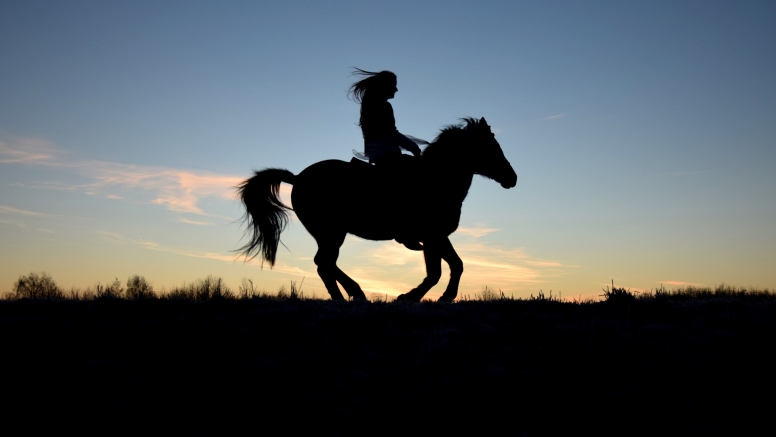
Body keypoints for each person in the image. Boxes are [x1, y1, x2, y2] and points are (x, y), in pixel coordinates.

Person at [348, 68, 424, 250]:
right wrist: (413, 147)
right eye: (394, 86)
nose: (396, 90)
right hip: (387, 155)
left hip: (377, 154)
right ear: (384, 87)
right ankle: (405, 230)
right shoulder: (383, 106)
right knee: (411, 184)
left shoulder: (370, 105)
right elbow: (392, 134)